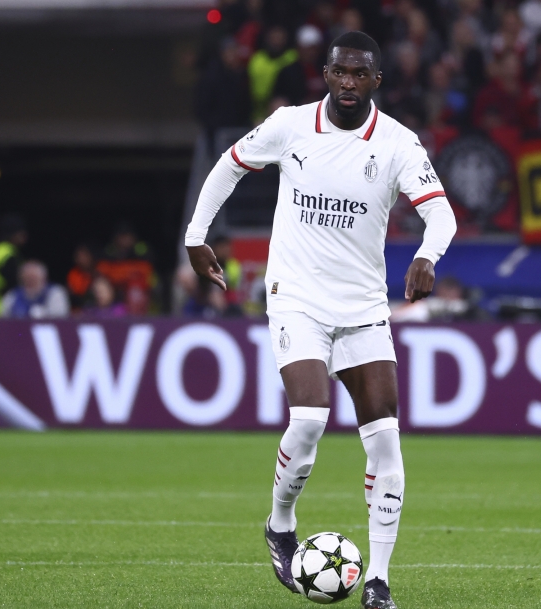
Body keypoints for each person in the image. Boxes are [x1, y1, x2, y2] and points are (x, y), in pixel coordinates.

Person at [184, 31, 457, 609]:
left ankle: (378, 582)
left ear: (376, 81)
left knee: (386, 440)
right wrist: (196, 235)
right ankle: (280, 523)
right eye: (340, 72)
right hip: (296, 298)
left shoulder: (399, 144)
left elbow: (442, 216)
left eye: (361, 75)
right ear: (326, 74)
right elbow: (229, 166)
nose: (349, 83)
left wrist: (428, 256)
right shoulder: (290, 124)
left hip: (362, 307)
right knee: (309, 418)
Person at [96, 222, 155, 316]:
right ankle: (103, 313)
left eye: (127, 236)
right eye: (121, 236)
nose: (124, 240)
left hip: (139, 293)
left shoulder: (141, 250)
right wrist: (123, 276)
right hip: (116, 294)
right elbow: (102, 271)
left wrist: (124, 275)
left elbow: (146, 272)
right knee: (101, 284)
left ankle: (137, 316)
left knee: (135, 289)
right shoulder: (109, 251)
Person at [1, 260, 70, 319]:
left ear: (43, 278)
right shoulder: (13, 295)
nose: (30, 281)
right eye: (27, 277)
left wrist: (43, 315)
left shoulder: (55, 292)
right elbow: (4, 318)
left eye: (33, 277)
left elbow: (60, 317)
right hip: (18, 332)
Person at [66, 244, 96, 312]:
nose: (82, 259)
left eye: (85, 256)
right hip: (78, 309)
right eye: (79, 257)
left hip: (96, 308)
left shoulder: (98, 271)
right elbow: (75, 293)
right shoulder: (73, 273)